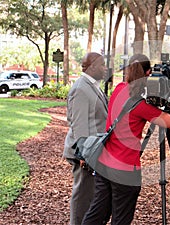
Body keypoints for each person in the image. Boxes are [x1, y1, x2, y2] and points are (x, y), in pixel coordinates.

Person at [81, 53, 170, 225]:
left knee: (96, 214)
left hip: (104, 164)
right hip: (125, 171)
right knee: (121, 219)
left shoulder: (118, 89)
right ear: (148, 73)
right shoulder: (142, 106)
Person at [63, 52, 108, 225]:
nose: (105, 69)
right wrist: (84, 155)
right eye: (102, 65)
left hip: (93, 150)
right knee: (82, 196)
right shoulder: (81, 88)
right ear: (92, 66)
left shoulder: (92, 85)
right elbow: (79, 124)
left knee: (91, 195)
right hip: (84, 153)